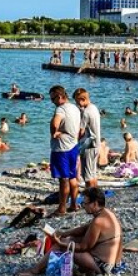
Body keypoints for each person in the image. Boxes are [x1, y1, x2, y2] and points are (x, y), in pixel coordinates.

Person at [18, 187, 122, 276]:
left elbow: (84, 247)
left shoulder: (98, 222)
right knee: (68, 240)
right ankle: (85, 269)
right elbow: (85, 229)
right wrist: (64, 234)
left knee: (62, 246)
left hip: (104, 267)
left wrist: (60, 243)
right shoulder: (106, 213)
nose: (83, 206)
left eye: (85, 203)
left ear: (95, 204)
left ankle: (34, 271)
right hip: (114, 264)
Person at [49, 85, 81, 216]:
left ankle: (62, 208)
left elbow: (54, 123)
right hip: (73, 145)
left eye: (53, 99)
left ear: (60, 96)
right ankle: (74, 204)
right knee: (73, 177)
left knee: (64, 179)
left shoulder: (61, 109)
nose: (52, 102)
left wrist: (54, 133)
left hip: (61, 148)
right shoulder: (75, 108)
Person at [74, 88, 102, 189]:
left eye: (77, 102)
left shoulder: (86, 113)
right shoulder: (94, 108)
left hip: (88, 146)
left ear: (82, 99)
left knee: (88, 177)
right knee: (93, 174)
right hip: (96, 144)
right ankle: (95, 197)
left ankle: (90, 199)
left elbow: (81, 131)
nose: (77, 105)